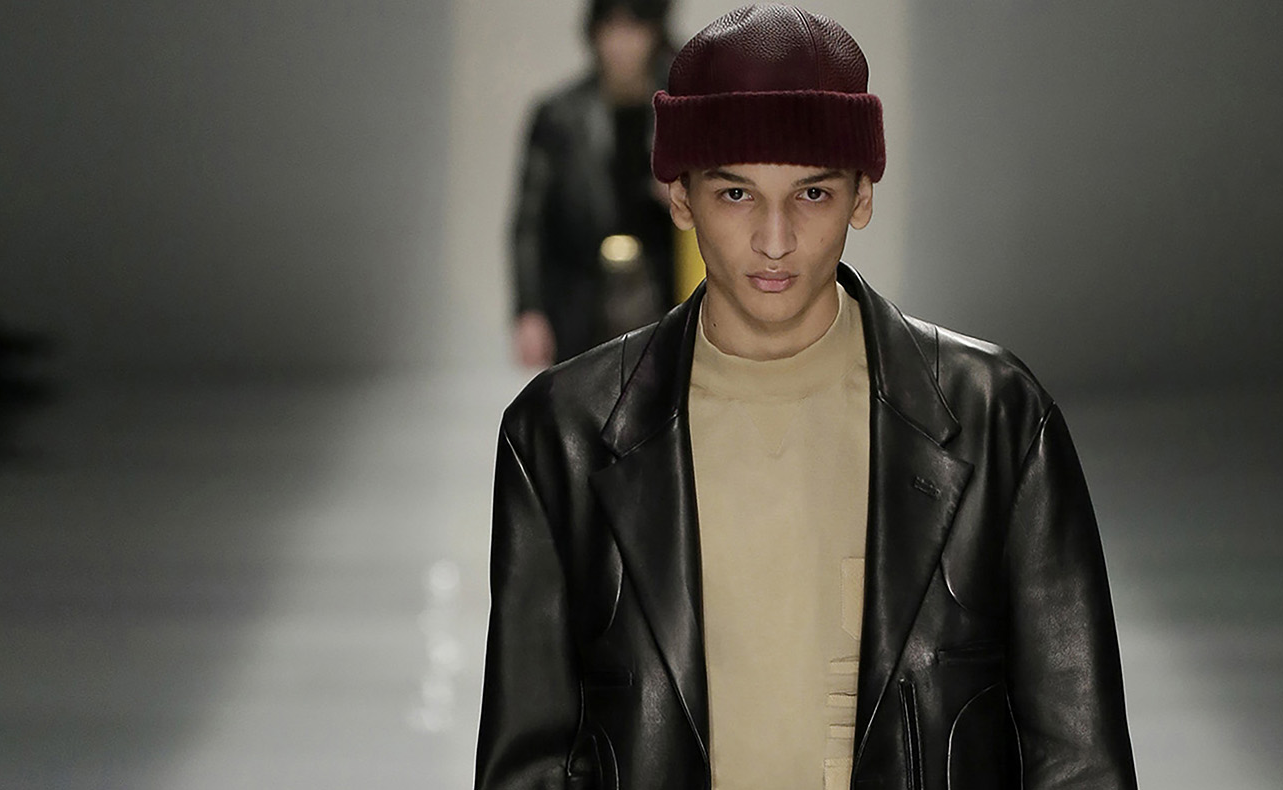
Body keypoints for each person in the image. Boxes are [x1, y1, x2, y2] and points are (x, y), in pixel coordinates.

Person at [476, 5, 1137, 789]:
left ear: (862, 195)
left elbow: (1079, 758)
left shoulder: (998, 419)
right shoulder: (561, 436)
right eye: (736, 194)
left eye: (813, 194)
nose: (775, 239)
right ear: (680, 198)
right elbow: (529, 762)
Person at [509, 0, 679, 367]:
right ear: (594, 32)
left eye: (635, 28)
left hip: (665, 294)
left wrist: (686, 196)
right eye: (611, 28)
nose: (622, 44)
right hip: (580, 300)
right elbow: (530, 221)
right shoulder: (559, 116)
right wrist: (529, 310)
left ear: (655, 33)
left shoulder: (683, 111)